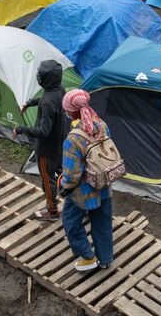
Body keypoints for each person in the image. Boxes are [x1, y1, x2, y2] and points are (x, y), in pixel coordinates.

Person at [58, 90, 114, 272]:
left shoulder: (73, 139)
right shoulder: (101, 124)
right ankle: (105, 259)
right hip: (103, 184)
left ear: (71, 112)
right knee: (102, 221)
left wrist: (64, 186)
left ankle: (87, 257)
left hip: (83, 192)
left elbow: (72, 174)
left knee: (70, 221)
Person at [12, 60, 68, 222]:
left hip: (46, 151)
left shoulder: (48, 101)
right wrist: (30, 102)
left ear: (46, 78)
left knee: (47, 179)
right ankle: (79, 201)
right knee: (63, 174)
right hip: (60, 145)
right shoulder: (59, 90)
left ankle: (51, 211)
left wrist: (20, 128)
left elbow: (43, 131)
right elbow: (46, 100)